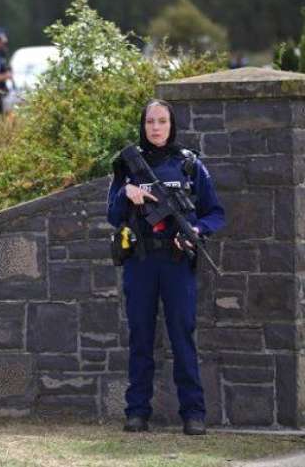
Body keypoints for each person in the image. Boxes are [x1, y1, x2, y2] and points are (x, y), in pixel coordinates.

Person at [107, 99, 225, 436]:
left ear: (172, 124)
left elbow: (215, 212)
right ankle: (137, 412)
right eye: (149, 122)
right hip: (141, 261)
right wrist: (125, 194)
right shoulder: (127, 167)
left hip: (176, 262)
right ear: (143, 126)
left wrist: (197, 232)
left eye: (162, 121)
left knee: (182, 335)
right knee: (141, 337)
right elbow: (113, 217)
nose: (156, 128)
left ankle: (194, 413)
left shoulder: (189, 165)